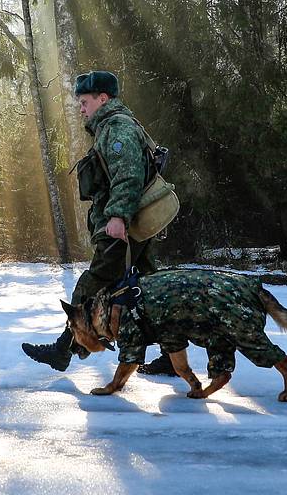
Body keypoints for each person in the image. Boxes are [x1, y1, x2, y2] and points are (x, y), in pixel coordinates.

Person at [21, 71, 178, 376]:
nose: (81, 107)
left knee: (92, 283)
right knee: (149, 288)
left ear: (102, 99)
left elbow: (128, 176)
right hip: (130, 224)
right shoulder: (112, 126)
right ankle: (172, 357)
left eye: (85, 101)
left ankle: (63, 349)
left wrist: (118, 216)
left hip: (122, 226)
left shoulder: (116, 128)